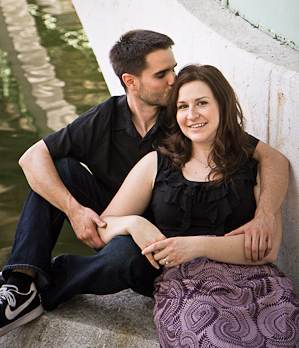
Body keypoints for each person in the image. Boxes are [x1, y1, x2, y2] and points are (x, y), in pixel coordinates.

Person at [0, 30, 289, 344]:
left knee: (124, 255)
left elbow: (270, 158)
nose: (173, 80)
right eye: (161, 74)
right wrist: (76, 211)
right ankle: (20, 282)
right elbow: (32, 158)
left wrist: (264, 213)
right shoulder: (106, 117)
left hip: (163, 238)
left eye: (173, 69)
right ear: (130, 82)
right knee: (58, 169)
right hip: (119, 220)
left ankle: (46, 278)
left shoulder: (183, 118)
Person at [98, 64, 299, 347]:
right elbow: (104, 227)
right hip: (187, 289)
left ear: (223, 105)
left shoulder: (254, 166)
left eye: (202, 103)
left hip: (258, 286)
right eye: (182, 106)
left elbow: (267, 250)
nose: (191, 115)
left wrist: (195, 246)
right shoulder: (155, 164)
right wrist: (134, 222)